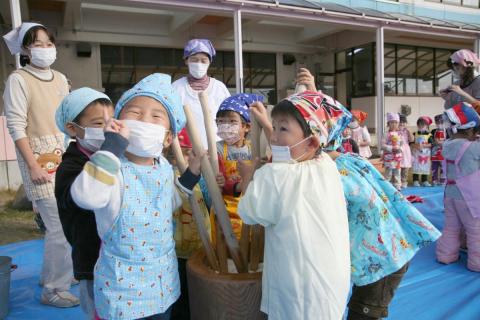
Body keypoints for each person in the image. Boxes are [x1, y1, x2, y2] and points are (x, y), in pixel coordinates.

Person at [70, 74, 203, 320]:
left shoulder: (163, 166)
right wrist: (110, 148)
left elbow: (168, 202)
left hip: (163, 284)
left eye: (156, 116)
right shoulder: (111, 167)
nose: (144, 119)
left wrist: (190, 175)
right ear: (119, 123)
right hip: (123, 291)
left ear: (168, 138)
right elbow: (86, 196)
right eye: (135, 113)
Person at [238, 91, 351, 319]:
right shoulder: (326, 164)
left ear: (311, 141)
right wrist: (270, 124)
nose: (273, 137)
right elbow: (293, 153)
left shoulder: (274, 175)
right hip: (331, 279)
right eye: (275, 127)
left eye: (283, 129)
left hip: (296, 285)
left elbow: (249, 213)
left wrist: (248, 178)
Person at [2, 22, 78, 307]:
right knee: (58, 226)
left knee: (68, 221)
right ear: (25, 49)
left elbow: (70, 118)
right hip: (39, 162)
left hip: (65, 158)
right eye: (37, 44)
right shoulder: (18, 80)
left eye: (49, 43)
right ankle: (53, 290)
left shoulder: (61, 78)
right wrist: (32, 166)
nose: (45, 49)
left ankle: (55, 274)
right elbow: (16, 126)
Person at [54, 88, 113, 318]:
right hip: (91, 260)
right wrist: (109, 154)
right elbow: (83, 200)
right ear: (72, 128)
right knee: (98, 310)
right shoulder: (70, 167)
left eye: (110, 121)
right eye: (98, 123)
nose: (107, 129)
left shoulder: (117, 155)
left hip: (116, 257)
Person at [209, 93, 262, 239]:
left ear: (246, 127)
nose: (226, 126)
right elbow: (219, 180)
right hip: (225, 206)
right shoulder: (215, 150)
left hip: (251, 203)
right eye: (220, 122)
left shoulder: (255, 148)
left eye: (232, 122)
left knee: (251, 241)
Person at [436, 102, 480, 272]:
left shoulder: (447, 145)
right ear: (470, 130)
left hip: (449, 194)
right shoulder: (474, 148)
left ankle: (445, 256)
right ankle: (476, 263)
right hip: (469, 198)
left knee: (451, 228)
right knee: (475, 231)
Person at [172, 39, 230, 149]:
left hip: (218, 148)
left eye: (203, 61)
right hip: (186, 150)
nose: (199, 64)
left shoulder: (219, 88)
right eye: (194, 60)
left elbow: (229, 118)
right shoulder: (177, 87)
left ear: (209, 62)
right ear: (186, 60)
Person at [382, 113, 403, 190]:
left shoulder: (400, 134)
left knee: (397, 171)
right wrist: (391, 148)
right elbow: (383, 145)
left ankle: (397, 185)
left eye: (396, 122)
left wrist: (400, 148)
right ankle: (387, 186)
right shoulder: (386, 134)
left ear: (398, 123)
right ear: (388, 123)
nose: (394, 124)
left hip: (397, 156)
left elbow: (402, 144)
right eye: (392, 122)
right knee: (388, 172)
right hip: (389, 157)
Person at [411, 116, 433, 187]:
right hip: (416, 154)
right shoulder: (415, 134)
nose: (421, 126)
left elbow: (431, 144)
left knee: (425, 167)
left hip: (425, 154)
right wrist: (415, 145)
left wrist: (423, 146)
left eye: (423, 125)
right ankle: (415, 180)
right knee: (416, 167)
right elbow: (411, 143)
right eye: (419, 124)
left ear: (427, 126)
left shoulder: (429, 135)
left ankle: (425, 180)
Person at [399, 114, 413, 188]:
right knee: (398, 166)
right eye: (400, 122)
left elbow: (411, 140)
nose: (402, 124)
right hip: (398, 149)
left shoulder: (407, 131)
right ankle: (398, 181)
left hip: (406, 150)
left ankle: (404, 181)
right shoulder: (395, 131)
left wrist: (409, 131)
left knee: (405, 166)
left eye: (403, 122)